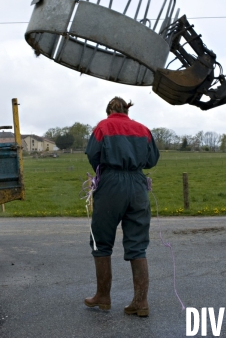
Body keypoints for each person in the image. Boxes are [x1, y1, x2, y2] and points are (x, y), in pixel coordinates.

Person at [84, 97, 159, 317]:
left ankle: (103, 297)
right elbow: (152, 159)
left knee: (101, 241)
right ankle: (141, 302)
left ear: (108, 110)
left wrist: (106, 169)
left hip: (111, 184)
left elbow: (92, 154)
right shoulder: (143, 129)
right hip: (137, 184)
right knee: (137, 244)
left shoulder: (103, 126)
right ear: (127, 110)